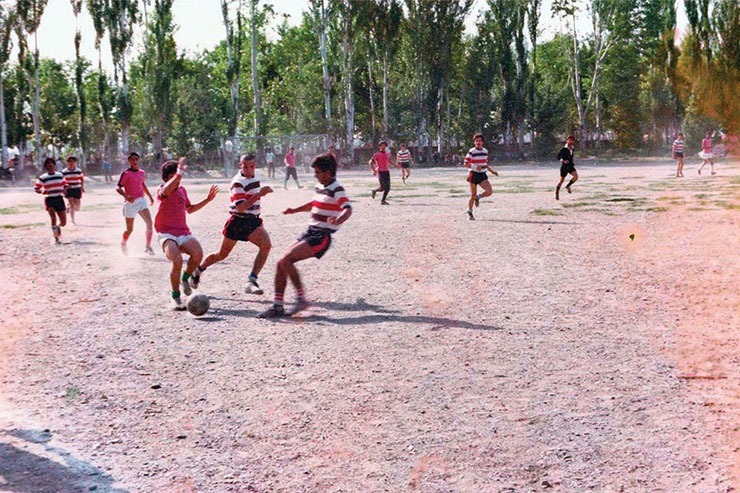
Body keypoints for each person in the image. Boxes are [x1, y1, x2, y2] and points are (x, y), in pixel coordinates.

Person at [258, 153, 352, 318]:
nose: (315, 175)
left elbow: (347, 208)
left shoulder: (337, 188)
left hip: (321, 236)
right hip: (310, 232)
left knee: (286, 259)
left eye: (318, 172)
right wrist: (295, 210)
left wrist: (338, 219)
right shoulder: (320, 187)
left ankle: (301, 299)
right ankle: (278, 306)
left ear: (328, 172)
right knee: (281, 262)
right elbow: (313, 205)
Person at [191, 153, 273, 296]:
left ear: (255, 166)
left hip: (252, 221)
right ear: (240, 166)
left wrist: (259, 195)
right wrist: (259, 194)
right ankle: (198, 270)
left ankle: (251, 280)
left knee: (266, 245)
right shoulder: (237, 182)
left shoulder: (255, 177)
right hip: (238, 221)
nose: (248, 169)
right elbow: (241, 207)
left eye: (252, 166)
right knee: (221, 255)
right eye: (245, 166)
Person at [155, 158, 219, 310]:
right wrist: (179, 174)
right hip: (166, 234)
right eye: (172, 177)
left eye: (177, 177)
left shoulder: (182, 190)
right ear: (165, 179)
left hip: (182, 232)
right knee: (176, 260)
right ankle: (175, 297)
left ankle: (185, 278)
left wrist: (207, 200)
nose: (176, 180)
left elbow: (189, 209)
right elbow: (166, 191)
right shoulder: (161, 190)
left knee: (198, 254)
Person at [117, 151, 155, 255]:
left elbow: (143, 185)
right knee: (129, 230)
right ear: (128, 161)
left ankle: (148, 247)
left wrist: (150, 197)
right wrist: (126, 196)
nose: (134, 161)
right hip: (130, 204)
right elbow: (118, 187)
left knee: (149, 223)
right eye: (132, 159)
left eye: (136, 159)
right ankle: (123, 243)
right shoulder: (126, 173)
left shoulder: (142, 172)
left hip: (141, 201)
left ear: (139, 160)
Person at [463, 134, 498, 220]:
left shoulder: (485, 151)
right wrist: (475, 167)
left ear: (482, 142)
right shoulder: (472, 151)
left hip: (482, 175)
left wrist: (492, 171)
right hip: (474, 174)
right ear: (474, 142)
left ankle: (479, 197)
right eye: (476, 141)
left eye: (480, 141)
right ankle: (470, 211)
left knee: (489, 191)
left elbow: (485, 164)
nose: (478, 142)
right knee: (472, 195)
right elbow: (465, 164)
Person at [34, 157, 68, 244]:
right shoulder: (43, 177)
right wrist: (42, 191)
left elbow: (65, 184)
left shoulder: (60, 175)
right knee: (53, 217)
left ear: (54, 165)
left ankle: (58, 227)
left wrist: (65, 189)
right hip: (50, 199)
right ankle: (55, 237)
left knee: (63, 222)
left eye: (52, 163)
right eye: (48, 163)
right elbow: (36, 188)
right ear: (46, 166)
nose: (50, 165)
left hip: (59, 198)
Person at [62, 156, 84, 224]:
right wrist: (64, 188)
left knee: (77, 207)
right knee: (72, 205)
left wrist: (82, 187)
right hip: (69, 189)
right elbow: (62, 180)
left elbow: (81, 179)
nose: (71, 163)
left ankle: (68, 207)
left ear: (75, 162)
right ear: (67, 162)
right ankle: (73, 219)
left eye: (73, 161)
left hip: (77, 188)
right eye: (70, 161)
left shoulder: (78, 171)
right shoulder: (64, 172)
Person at [555, 135, 578, 201]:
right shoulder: (563, 149)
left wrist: (572, 162)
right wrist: (563, 160)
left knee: (576, 177)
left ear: (573, 141)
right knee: (561, 181)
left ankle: (568, 186)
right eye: (569, 140)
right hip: (564, 167)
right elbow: (558, 157)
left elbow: (571, 157)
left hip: (570, 166)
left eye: (572, 140)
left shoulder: (572, 148)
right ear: (567, 140)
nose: (570, 141)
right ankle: (557, 192)